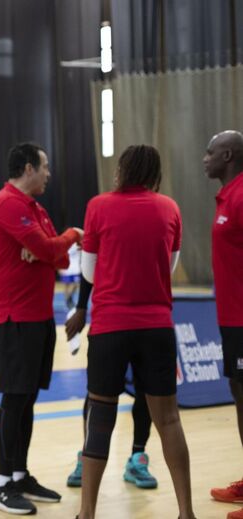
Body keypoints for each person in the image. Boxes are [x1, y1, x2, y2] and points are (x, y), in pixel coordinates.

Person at [75, 145, 195, 519]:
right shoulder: (169, 208)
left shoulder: (98, 206)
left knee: (100, 419)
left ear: (122, 170)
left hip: (110, 327)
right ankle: (187, 512)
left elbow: (90, 272)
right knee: (169, 420)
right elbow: (168, 266)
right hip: (157, 327)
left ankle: (87, 514)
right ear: (155, 174)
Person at [0, 142, 82, 515]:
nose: (48, 174)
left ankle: (19, 474)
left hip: (39, 317)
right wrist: (71, 235)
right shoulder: (7, 203)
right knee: (14, 399)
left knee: (26, 399)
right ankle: (0, 484)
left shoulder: (35, 208)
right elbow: (51, 250)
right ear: (28, 168)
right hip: (14, 318)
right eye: (44, 167)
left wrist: (45, 251)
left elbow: (57, 259)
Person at [65, 277, 158, 490]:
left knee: (146, 391)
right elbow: (89, 265)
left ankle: (137, 456)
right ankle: (87, 456)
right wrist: (81, 307)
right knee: (97, 393)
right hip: (109, 317)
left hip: (149, 316)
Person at [204, 130, 243, 519]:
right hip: (231, 320)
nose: (205, 158)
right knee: (239, 394)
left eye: (210, 152)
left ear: (228, 155)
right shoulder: (227, 196)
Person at [59, 243, 81, 310]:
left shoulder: (79, 243)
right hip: (66, 268)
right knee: (66, 286)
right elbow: (60, 254)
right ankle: (67, 302)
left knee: (76, 284)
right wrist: (60, 267)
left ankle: (69, 300)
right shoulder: (65, 242)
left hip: (76, 268)